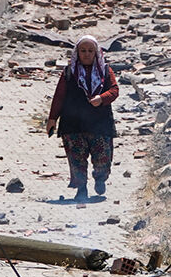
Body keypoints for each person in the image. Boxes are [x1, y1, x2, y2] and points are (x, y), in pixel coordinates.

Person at [46, 35, 119, 202]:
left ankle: (100, 179)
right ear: (77, 53)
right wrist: (52, 119)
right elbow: (59, 97)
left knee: (102, 157)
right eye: (83, 51)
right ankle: (81, 188)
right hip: (73, 123)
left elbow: (114, 90)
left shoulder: (105, 71)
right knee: (76, 158)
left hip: (99, 123)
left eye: (90, 51)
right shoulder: (69, 72)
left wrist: (101, 98)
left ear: (96, 53)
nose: (86, 54)